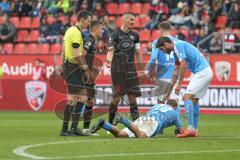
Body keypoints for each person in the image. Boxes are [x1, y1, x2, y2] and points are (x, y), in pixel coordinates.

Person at [156, 36, 213, 136]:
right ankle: (194, 130)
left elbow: (183, 64)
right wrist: (169, 91)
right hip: (205, 72)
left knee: (186, 97)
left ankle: (190, 129)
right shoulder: (176, 52)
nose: (163, 52)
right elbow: (175, 72)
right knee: (194, 101)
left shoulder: (178, 45)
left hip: (202, 72)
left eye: (162, 49)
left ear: (165, 44)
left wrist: (180, 84)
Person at [106, 12, 144, 125]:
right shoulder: (115, 34)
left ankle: (136, 124)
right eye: (131, 19)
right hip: (117, 70)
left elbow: (139, 53)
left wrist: (141, 70)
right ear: (124, 20)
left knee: (132, 97)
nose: (133, 22)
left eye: (134, 20)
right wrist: (108, 61)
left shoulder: (135, 35)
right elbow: (111, 49)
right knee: (117, 97)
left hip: (131, 70)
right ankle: (110, 123)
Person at [60, 11, 94, 136]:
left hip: (70, 66)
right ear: (82, 19)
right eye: (88, 21)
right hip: (73, 67)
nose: (89, 24)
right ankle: (66, 129)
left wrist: (63, 67)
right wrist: (85, 68)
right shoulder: (75, 32)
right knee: (73, 99)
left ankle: (72, 128)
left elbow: (63, 50)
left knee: (81, 97)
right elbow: (76, 53)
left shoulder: (69, 31)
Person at [91, 99, 196, 138]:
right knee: (141, 136)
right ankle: (122, 119)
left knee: (121, 135)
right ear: (174, 107)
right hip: (154, 123)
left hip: (144, 118)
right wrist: (192, 133)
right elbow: (182, 132)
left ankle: (104, 124)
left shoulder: (157, 106)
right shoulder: (175, 113)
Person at [148, 21, 181, 105]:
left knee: (160, 104)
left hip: (162, 76)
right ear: (169, 29)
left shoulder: (157, 42)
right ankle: (175, 118)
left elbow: (153, 58)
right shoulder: (177, 42)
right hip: (175, 76)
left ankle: (161, 118)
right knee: (174, 104)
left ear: (161, 29)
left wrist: (149, 72)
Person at [82, 20, 104, 134]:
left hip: (89, 75)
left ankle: (85, 129)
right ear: (95, 29)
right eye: (101, 28)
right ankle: (72, 128)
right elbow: (81, 54)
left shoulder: (92, 41)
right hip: (85, 76)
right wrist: (86, 70)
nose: (103, 30)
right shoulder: (89, 40)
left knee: (89, 101)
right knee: (84, 101)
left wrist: (93, 69)